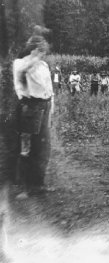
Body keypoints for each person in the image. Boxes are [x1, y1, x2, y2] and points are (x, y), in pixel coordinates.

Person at [12, 35, 54, 199]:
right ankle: (25, 188)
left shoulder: (43, 64)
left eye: (43, 51)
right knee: (27, 148)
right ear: (34, 49)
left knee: (43, 148)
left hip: (45, 105)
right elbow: (21, 76)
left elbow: (49, 86)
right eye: (40, 50)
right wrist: (33, 58)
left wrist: (52, 105)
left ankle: (39, 184)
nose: (42, 54)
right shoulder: (20, 63)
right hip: (30, 106)